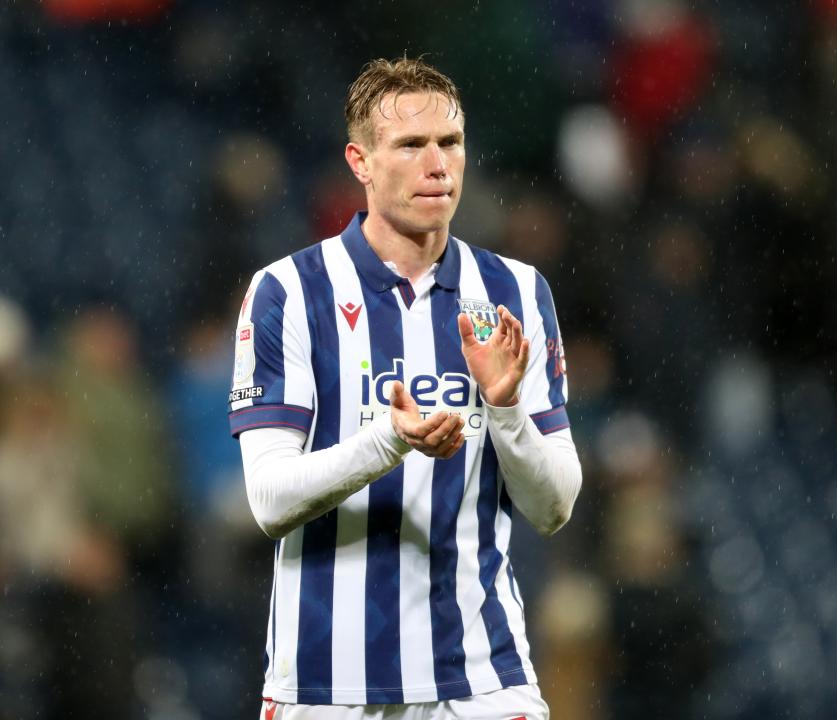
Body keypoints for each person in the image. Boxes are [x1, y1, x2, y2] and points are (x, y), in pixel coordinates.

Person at [228, 56, 582, 720]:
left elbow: (554, 505)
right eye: (411, 145)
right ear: (360, 161)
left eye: (450, 143)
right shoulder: (289, 292)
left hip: (482, 681)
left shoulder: (516, 292)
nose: (438, 164)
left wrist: (504, 410)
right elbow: (269, 502)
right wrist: (387, 440)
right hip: (325, 686)